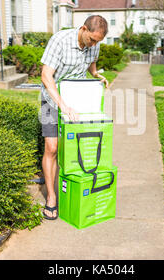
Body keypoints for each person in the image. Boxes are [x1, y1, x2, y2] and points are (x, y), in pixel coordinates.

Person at [39, 15, 109, 220]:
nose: (94, 44)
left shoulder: (94, 44)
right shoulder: (60, 41)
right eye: (92, 40)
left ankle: (75, 189)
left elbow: (91, 64)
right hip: (51, 101)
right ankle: (51, 198)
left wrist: (96, 75)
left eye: (98, 42)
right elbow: (45, 75)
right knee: (51, 147)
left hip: (77, 101)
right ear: (83, 29)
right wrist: (62, 105)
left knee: (73, 149)